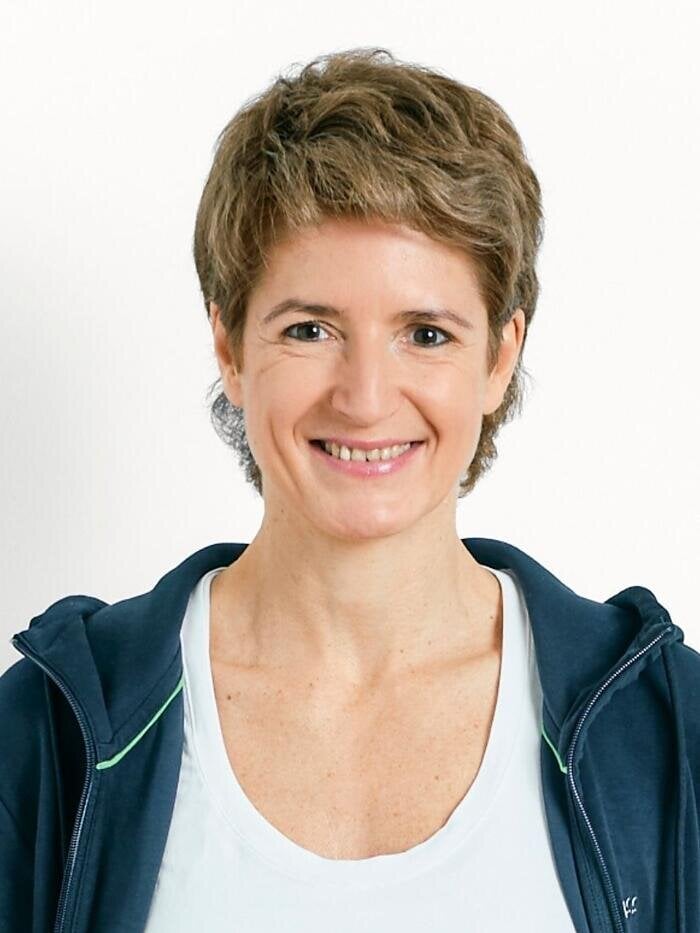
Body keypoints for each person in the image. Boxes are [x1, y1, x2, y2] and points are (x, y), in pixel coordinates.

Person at [0, 46, 697, 933]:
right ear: (229, 347)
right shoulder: (47, 736)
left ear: (501, 355)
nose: (365, 398)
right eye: (310, 328)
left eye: (427, 333)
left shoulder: (666, 730)